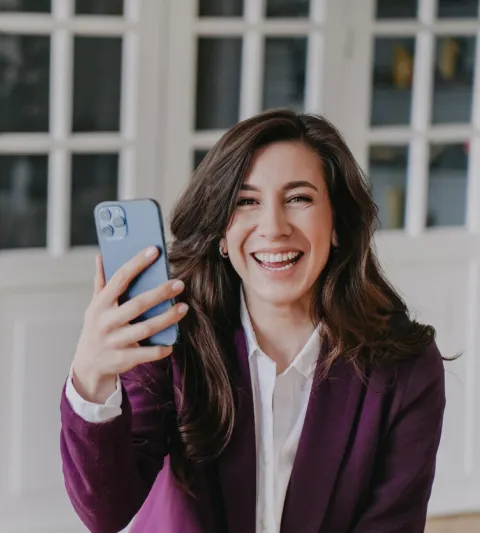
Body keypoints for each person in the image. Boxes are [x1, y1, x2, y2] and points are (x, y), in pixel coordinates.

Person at [59, 109, 447, 533]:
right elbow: (105, 511)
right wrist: (91, 379)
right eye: (246, 202)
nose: (273, 227)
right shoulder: (172, 336)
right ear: (222, 233)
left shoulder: (404, 366)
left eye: (299, 198)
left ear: (336, 223)